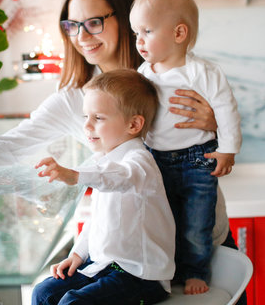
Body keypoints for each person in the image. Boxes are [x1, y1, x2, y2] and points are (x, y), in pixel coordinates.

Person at [0, 0, 245, 304]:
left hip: (200, 249)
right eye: (72, 25)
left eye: (94, 22)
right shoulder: (77, 100)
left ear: (126, 18)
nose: (82, 35)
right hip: (130, 263)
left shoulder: (172, 75)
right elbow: (12, 144)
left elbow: (224, 135)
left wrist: (212, 122)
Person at [130, 0, 242, 295]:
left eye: (146, 31)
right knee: (164, 221)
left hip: (198, 159)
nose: (138, 40)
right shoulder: (143, 73)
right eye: (135, 32)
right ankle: (169, 271)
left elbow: (226, 110)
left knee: (195, 223)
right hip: (156, 159)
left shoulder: (203, 72)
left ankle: (195, 272)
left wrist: (228, 150)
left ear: (179, 33)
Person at [32, 69, 174, 305]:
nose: (87, 126)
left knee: (73, 303)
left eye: (98, 118)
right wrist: (78, 253)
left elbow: (122, 177)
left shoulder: (139, 162)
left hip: (140, 276)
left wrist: (75, 175)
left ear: (134, 124)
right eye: (85, 117)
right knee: (43, 293)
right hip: (103, 265)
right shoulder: (104, 163)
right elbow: (97, 220)